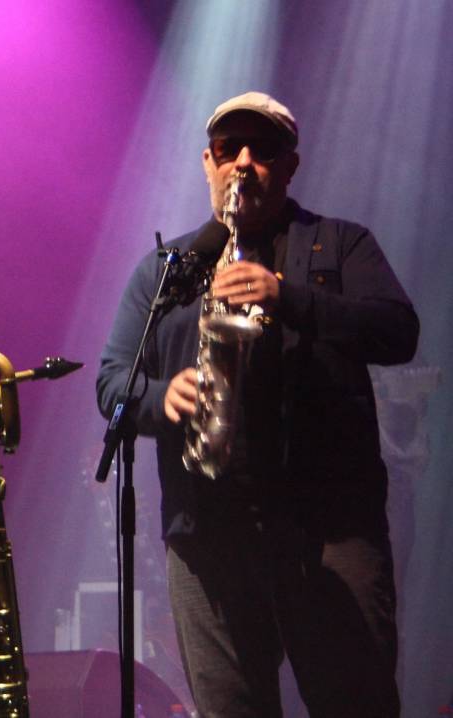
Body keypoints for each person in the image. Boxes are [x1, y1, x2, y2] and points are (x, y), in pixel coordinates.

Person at [97, 92, 418, 716]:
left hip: (328, 531)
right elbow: (112, 381)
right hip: (208, 536)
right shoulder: (167, 269)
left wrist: (287, 297)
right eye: (228, 149)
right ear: (208, 163)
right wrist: (163, 396)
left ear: (289, 166)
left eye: (262, 149)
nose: (243, 162)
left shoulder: (340, 244)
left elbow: (398, 332)